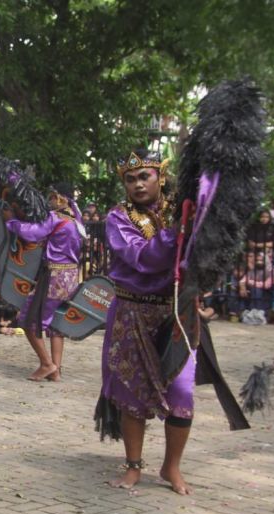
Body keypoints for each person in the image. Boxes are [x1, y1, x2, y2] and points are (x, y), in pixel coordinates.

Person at [95, 149, 194, 495]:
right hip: (132, 312)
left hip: (175, 314)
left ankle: (171, 467)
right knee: (131, 392)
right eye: (130, 178)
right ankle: (134, 466)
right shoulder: (118, 218)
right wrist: (178, 231)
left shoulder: (182, 210)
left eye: (144, 177)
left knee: (182, 390)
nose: (137, 184)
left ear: (160, 177)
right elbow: (142, 258)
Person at [4, 182, 84, 381]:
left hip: (54, 276)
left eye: (51, 197)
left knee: (29, 319)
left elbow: (32, 233)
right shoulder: (76, 220)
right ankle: (56, 371)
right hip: (71, 277)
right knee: (56, 324)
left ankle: (46, 364)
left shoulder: (55, 218)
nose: (48, 202)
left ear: (60, 199)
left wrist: (11, 222)